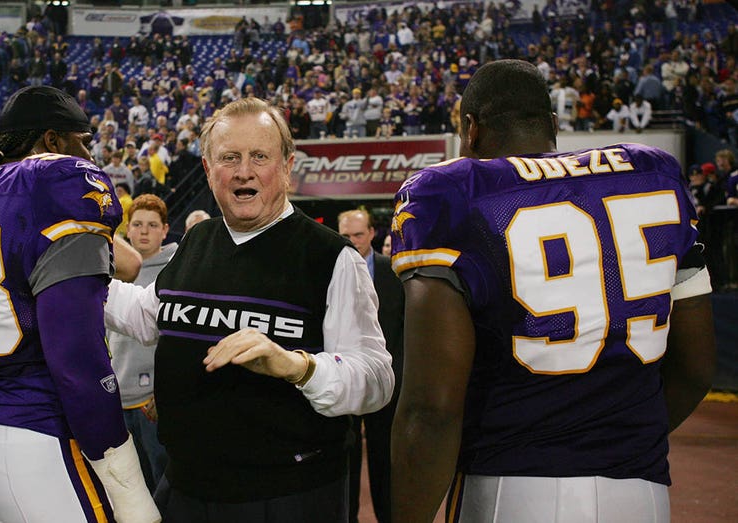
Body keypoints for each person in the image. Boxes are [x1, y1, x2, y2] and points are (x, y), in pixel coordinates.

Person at [391, 60, 716, 522]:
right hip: (641, 494)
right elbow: (698, 367)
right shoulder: (654, 173)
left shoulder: (450, 192)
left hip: (509, 488)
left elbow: (432, 409)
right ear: (554, 126)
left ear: (470, 129)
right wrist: (621, 442)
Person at [104, 97, 394, 522]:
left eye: (260, 156)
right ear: (207, 169)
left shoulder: (330, 257)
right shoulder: (198, 241)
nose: (244, 171)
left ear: (287, 166)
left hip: (288, 495)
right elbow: (149, 314)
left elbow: (377, 377)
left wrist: (298, 366)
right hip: (187, 486)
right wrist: (71, 281)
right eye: (229, 157)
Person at [0, 85, 158, 522]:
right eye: (83, 142)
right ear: (54, 141)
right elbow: (76, 360)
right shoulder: (58, 183)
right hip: (33, 439)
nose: (89, 155)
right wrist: (127, 482)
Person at [337, 209, 404, 523]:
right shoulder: (327, 271)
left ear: (372, 233)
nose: (351, 241)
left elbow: (405, 330)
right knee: (343, 463)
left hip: (387, 384)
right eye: (345, 236)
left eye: (358, 235)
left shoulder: (393, 272)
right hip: (343, 379)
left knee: (385, 462)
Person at [108, 194, 177, 493]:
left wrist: (164, 390)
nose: (144, 231)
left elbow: (176, 341)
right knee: (129, 489)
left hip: (153, 401)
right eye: (137, 224)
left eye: (152, 224)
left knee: (162, 483)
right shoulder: (111, 269)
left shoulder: (175, 270)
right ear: (128, 230)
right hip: (118, 398)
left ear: (165, 230)